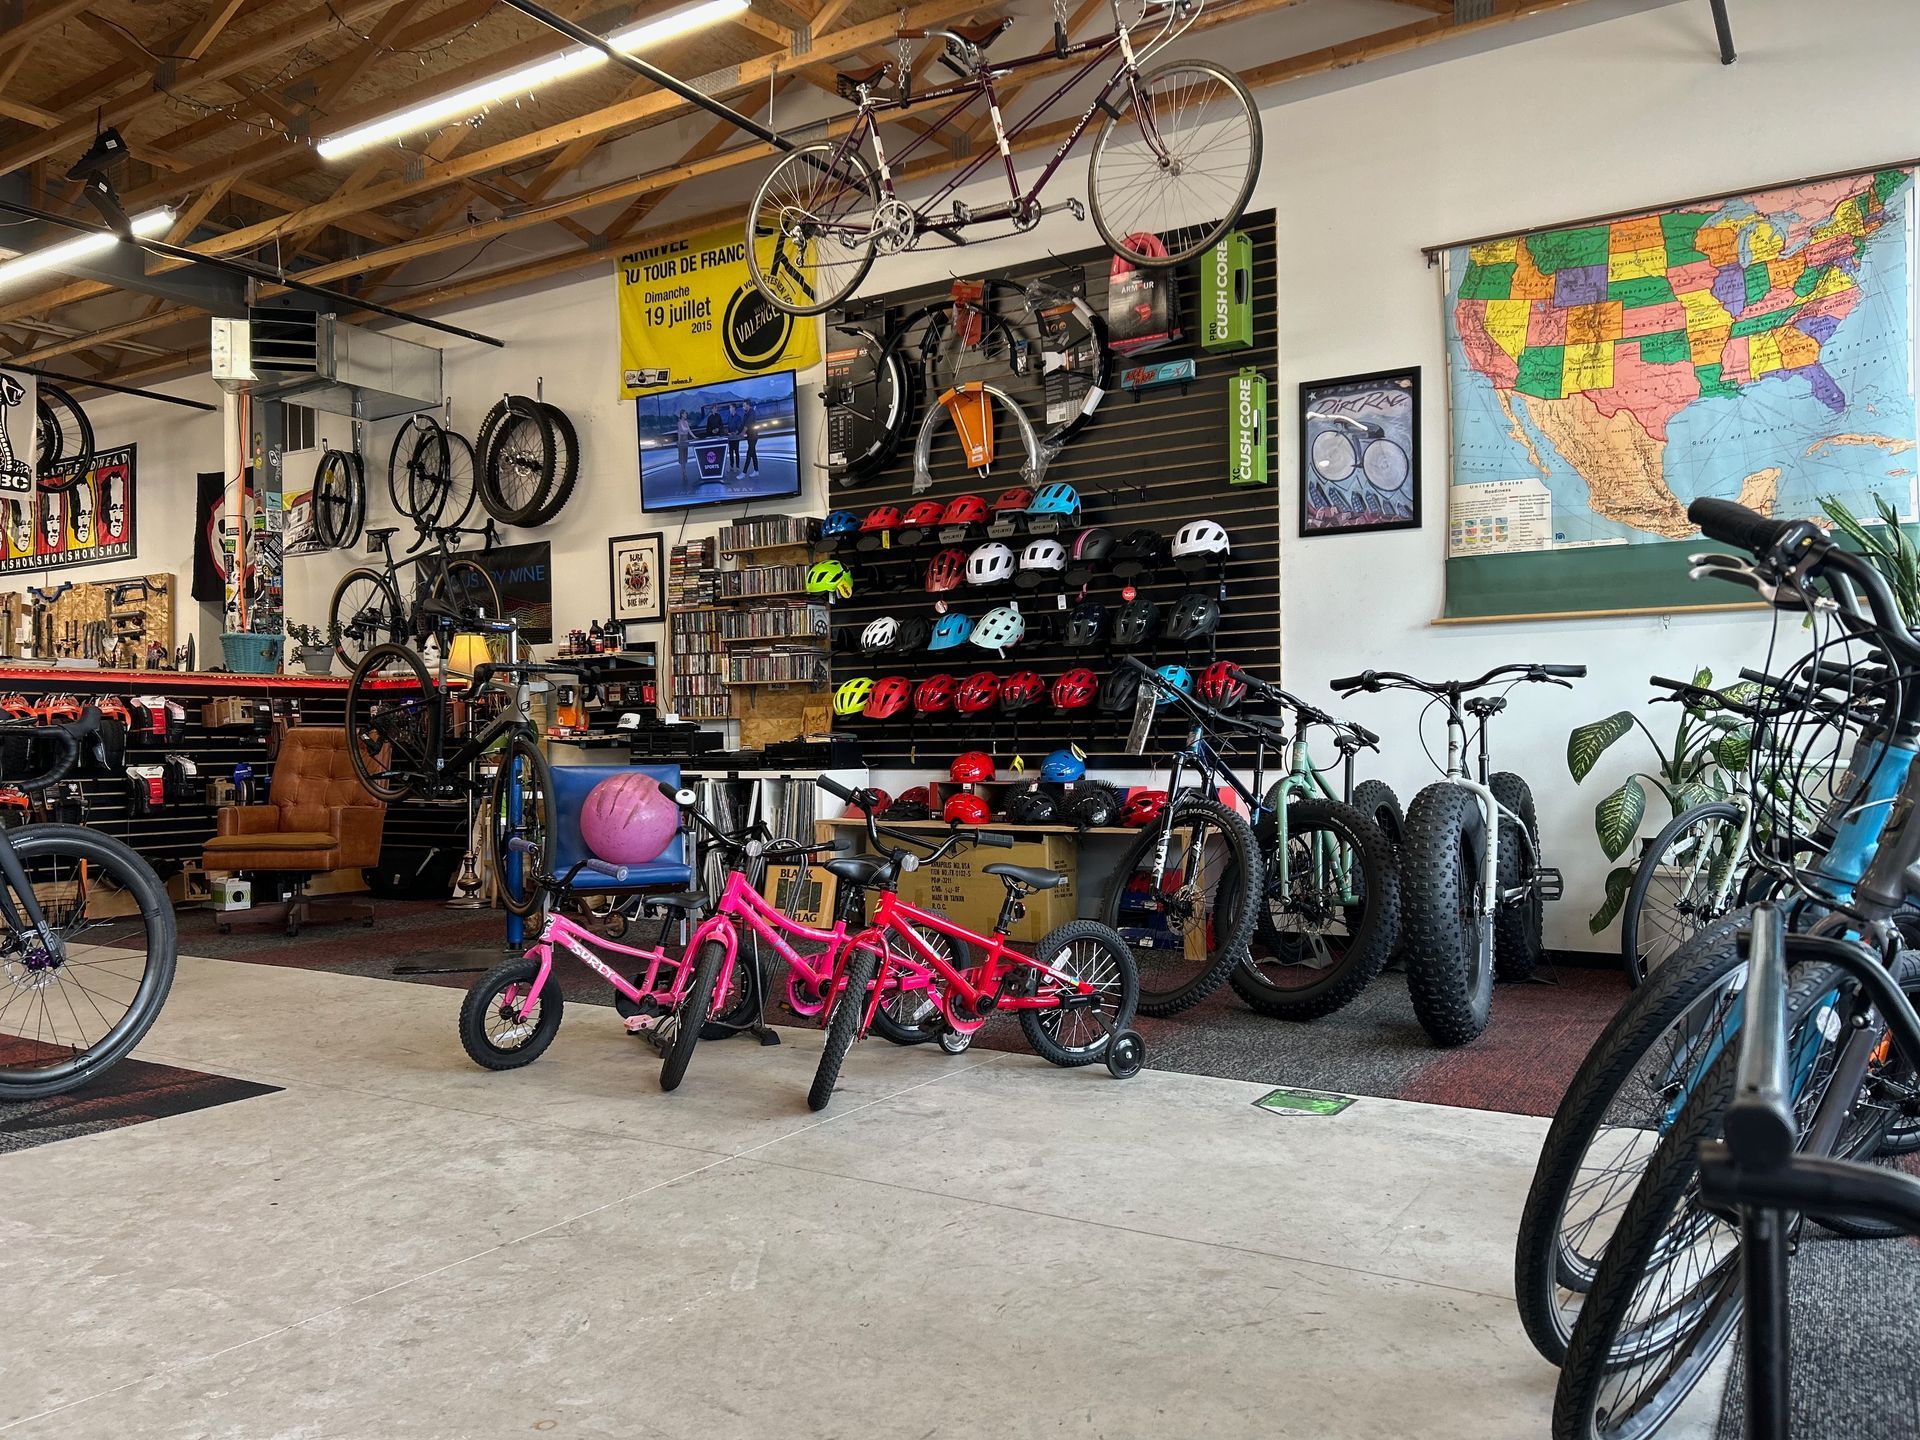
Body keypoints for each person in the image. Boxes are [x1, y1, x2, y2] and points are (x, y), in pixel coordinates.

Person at [741, 399, 759, 477]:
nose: (743, 407)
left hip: (753, 436)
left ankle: (744, 473)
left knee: (749, 453)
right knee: (753, 453)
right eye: (743, 406)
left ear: (748, 405)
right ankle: (756, 471)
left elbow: (746, 426)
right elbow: (742, 425)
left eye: (744, 405)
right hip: (749, 436)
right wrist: (737, 432)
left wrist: (742, 433)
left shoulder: (752, 413)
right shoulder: (746, 414)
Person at [675, 409, 692, 481]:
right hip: (681, 440)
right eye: (685, 414)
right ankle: (683, 471)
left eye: (686, 414)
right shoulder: (679, 423)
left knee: (685, 456)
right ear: (682, 414)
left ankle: (684, 471)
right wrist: (678, 442)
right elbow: (679, 433)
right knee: (682, 457)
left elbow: (689, 431)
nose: (686, 415)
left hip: (686, 440)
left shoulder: (686, 422)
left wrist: (695, 437)